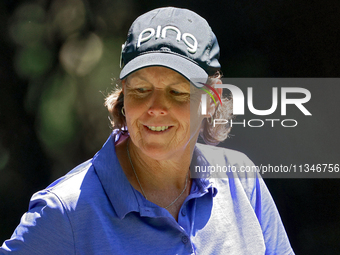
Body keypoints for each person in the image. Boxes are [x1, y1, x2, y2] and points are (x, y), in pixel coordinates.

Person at [1, 7, 294, 254]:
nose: (155, 107)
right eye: (141, 89)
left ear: (211, 98)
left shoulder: (241, 179)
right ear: (124, 95)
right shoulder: (65, 212)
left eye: (177, 92)